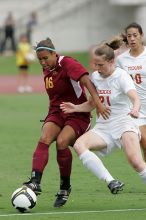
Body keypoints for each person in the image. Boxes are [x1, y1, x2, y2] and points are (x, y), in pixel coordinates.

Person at [22, 37, 113, 208]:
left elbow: (87, 81)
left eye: (45, 58)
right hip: (57, 112)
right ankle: (35, 181)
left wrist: (99, 104)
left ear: (54, 54)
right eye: (39, 59)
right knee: (44, 138)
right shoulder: (47, 68)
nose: (42, 62)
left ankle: (64, 188)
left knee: (62, 142)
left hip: (77, 113)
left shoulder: (67, 63)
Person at [60, 42, 146, 195]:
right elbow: (93, 103)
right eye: (95, 64)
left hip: (124, 123)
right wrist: (76, 107)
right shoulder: (95, 77)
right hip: (103, 127)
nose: (97, 68)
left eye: (100, 65)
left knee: (136, 162)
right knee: (80, 145)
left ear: (111, 61)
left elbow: (135, 98)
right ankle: (110, 181)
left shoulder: (121, 76)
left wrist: (135, 109)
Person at [116, 22, 146, 161]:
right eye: (129, 36)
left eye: (135, 35)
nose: (132, 38)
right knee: (145, 143)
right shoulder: (121, 60)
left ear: (141, 36)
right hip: (136, 109)